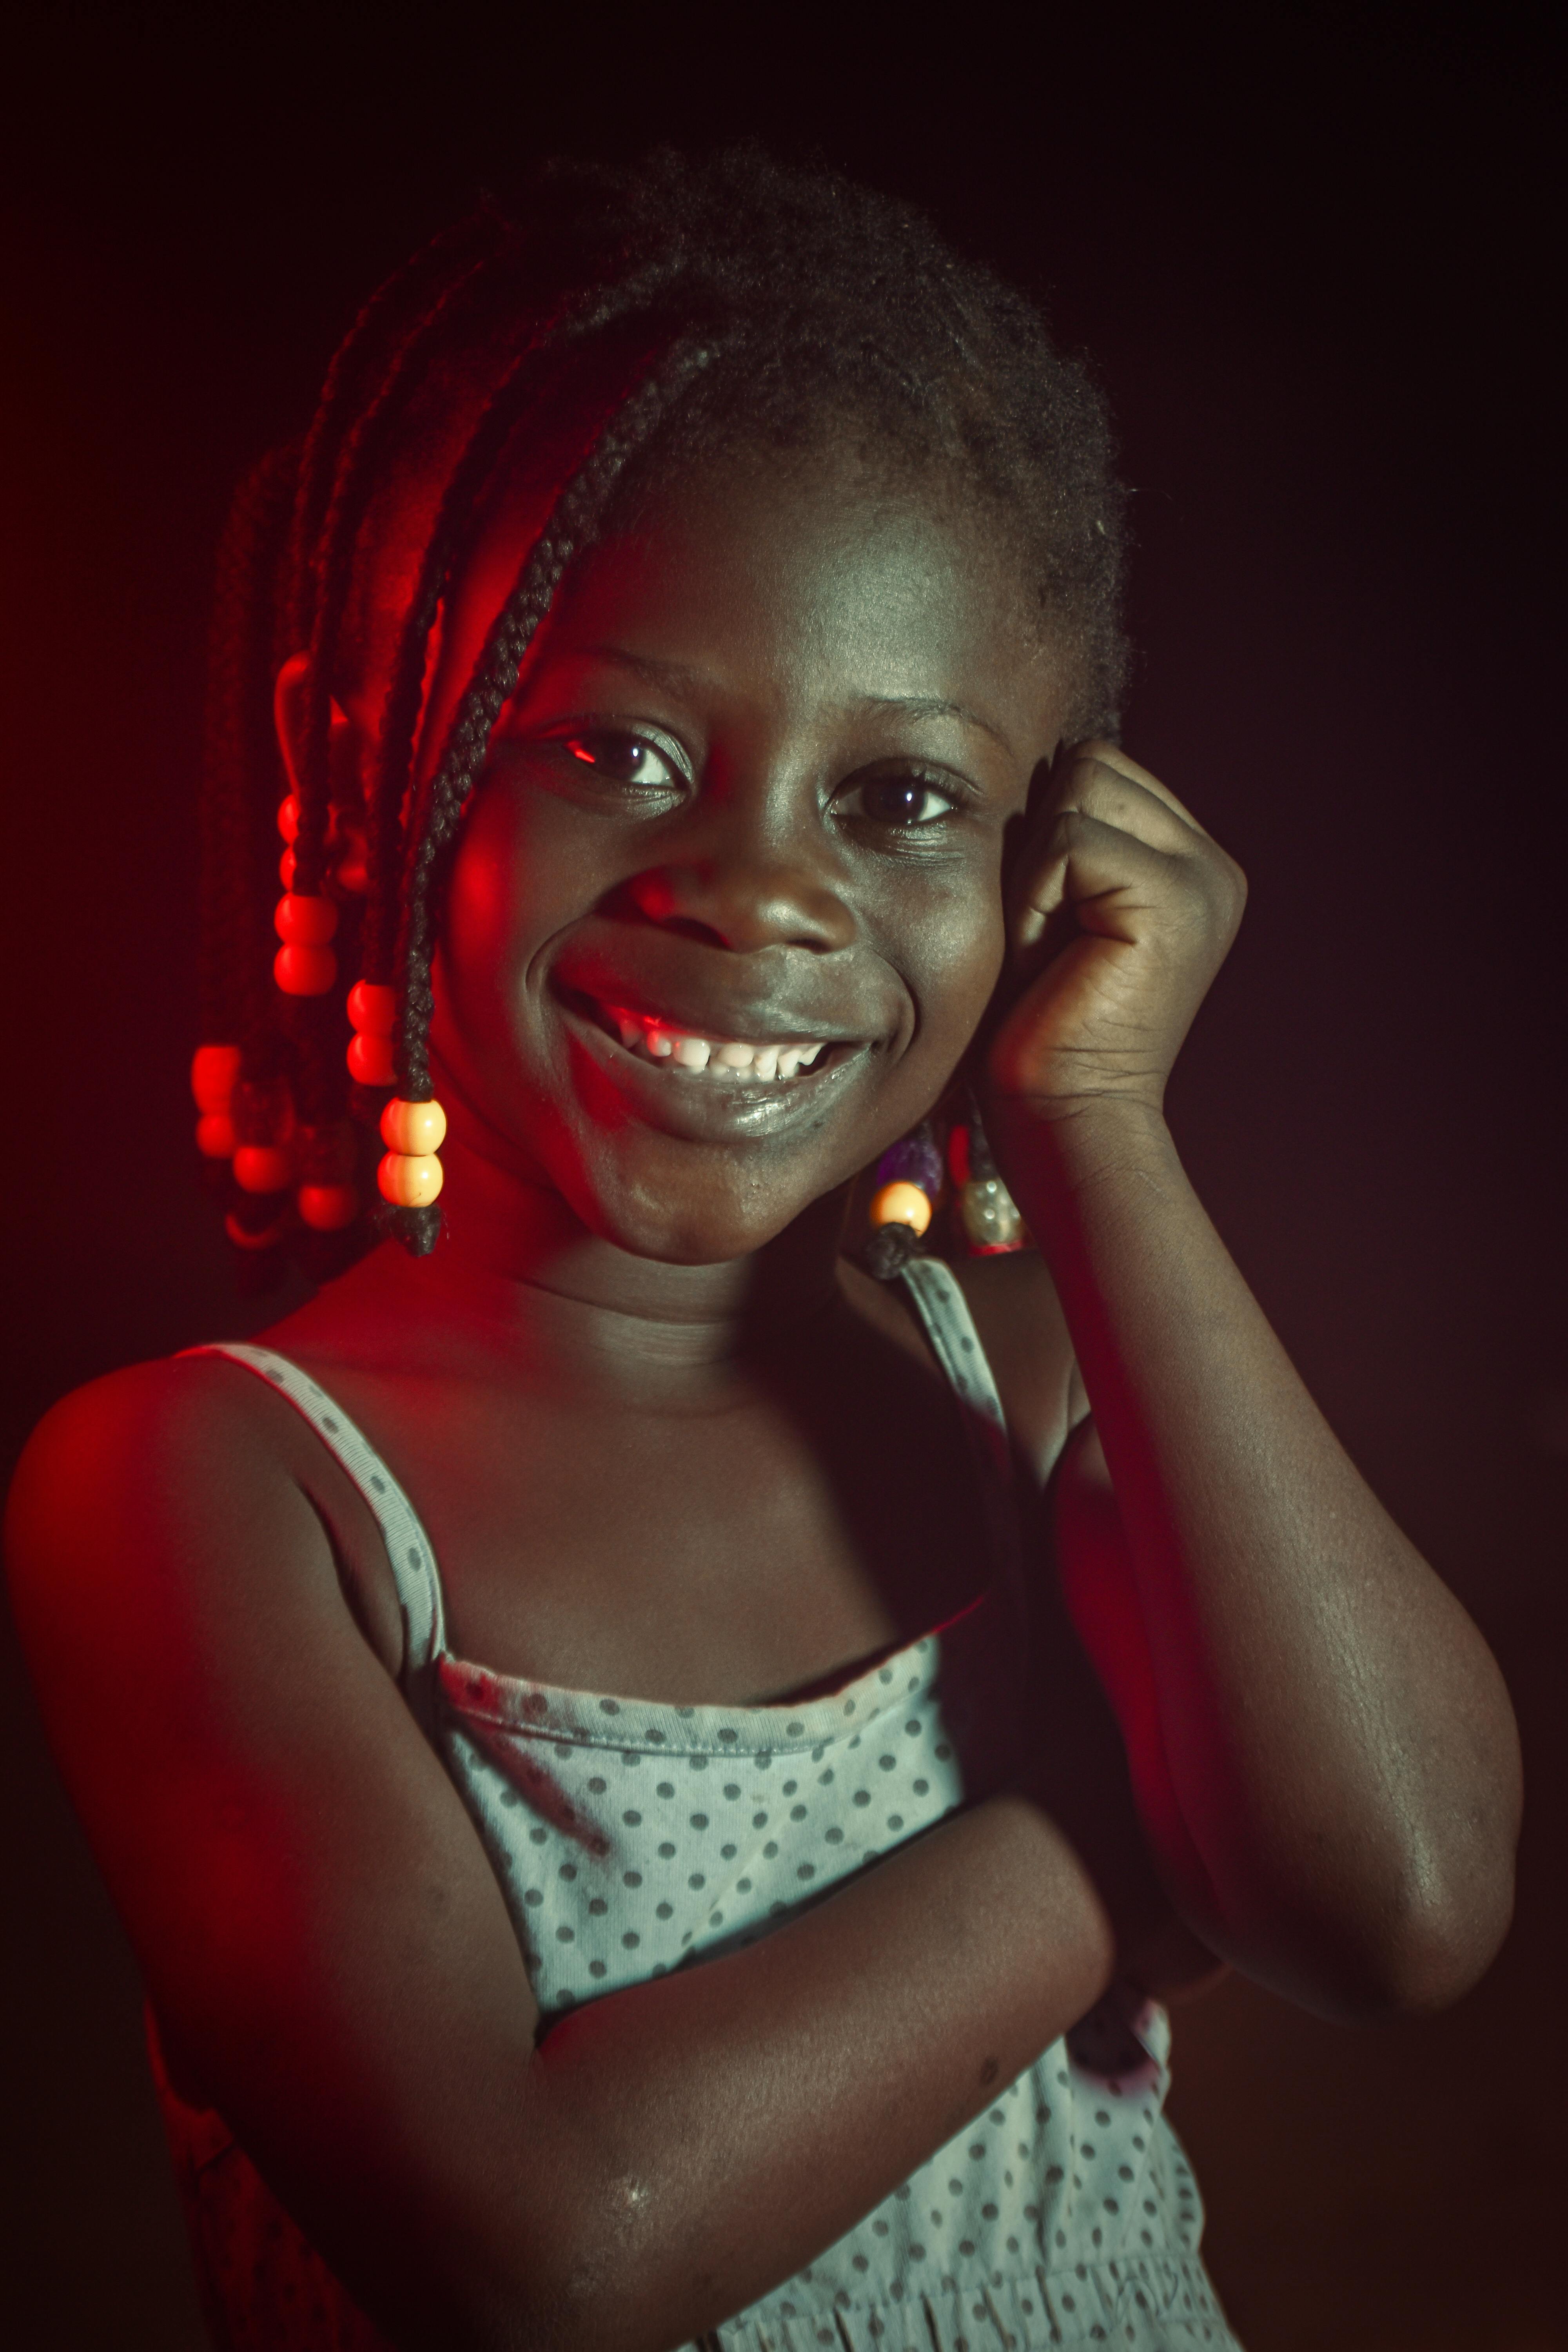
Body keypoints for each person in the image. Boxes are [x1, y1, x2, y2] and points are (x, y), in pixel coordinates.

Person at [4, 150, 1521, 2352]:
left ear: (1041, 868)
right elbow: (542, 2261)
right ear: (381, 767)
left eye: (900, 800)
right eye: (619, 745)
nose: (759, 893)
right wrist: (1116, 1850)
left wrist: (1095, 1120)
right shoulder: (212, 1493)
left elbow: (1400, 1900)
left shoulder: (1021, 1378)